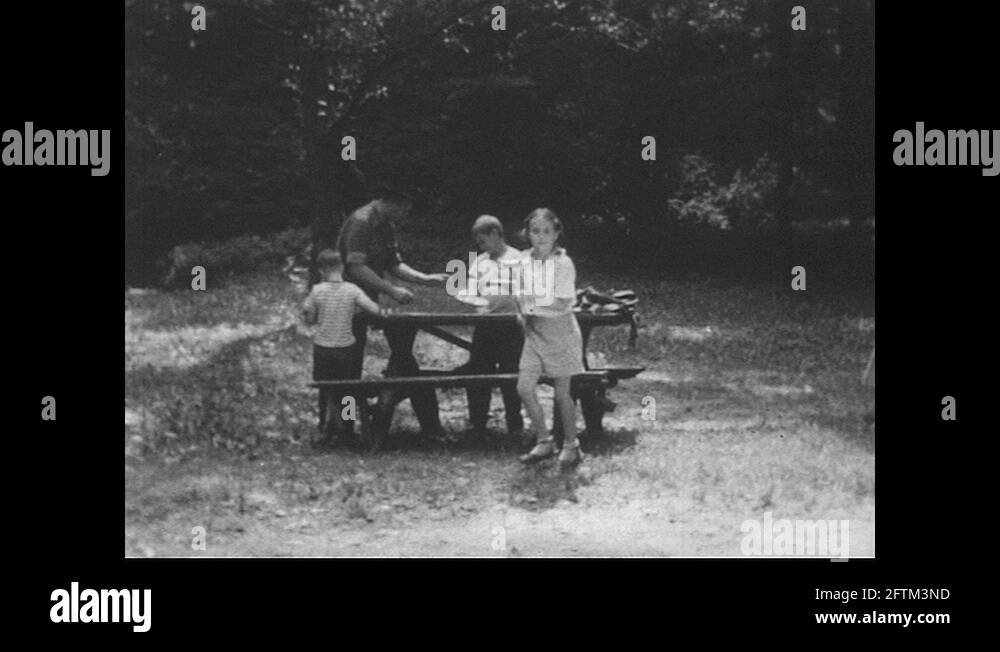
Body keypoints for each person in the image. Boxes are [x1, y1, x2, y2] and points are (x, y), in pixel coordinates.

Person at [336, 193, 451, 440]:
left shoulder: (386, 225)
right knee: (348, 370)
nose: (406, 213)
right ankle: (343, 429)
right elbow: (355, 267)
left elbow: (393, 263)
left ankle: (390, 415)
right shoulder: (361, 221)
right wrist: (391, 289)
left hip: (369, 304)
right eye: (405, 206)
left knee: (402, 355)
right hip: (345, 303)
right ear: (392, 201)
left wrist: (425, 279)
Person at [515, 208, 585, 469]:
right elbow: (519, 294)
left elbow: (562, 303)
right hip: (534, 334)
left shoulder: (563, 264)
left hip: (561, 333)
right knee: (524, 387)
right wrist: (521, 312)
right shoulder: (523, 260)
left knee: (561, 394)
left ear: (556, 234)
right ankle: (544, 440)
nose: (541, 236)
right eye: (535, 231)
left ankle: (571, 444)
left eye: (546, 231)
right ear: (528, 234)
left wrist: (532, 308)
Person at [300, 249, 384, 445]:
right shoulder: (352, 290)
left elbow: (310, 318)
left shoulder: (317, 291)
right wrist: (355, 310)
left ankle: (326, 427)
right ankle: (347, 426)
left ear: (321, 270)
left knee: (326, 388)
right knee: (348, 388)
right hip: (346, 348)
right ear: (342, 267)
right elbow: (374, 309)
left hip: (323, 348)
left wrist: (310, 313)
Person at [459, 215, 525, 437]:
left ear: (496, 234)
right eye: (478, 243)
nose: (481, 246)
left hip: (511, 327)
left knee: (512, 373)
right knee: (478, 373)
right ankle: (477, 424)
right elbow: (471, 293)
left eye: (483, 241)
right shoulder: (479, 262)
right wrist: (478, 307)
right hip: (485, 326)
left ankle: (514, 423)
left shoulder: (518, 259)